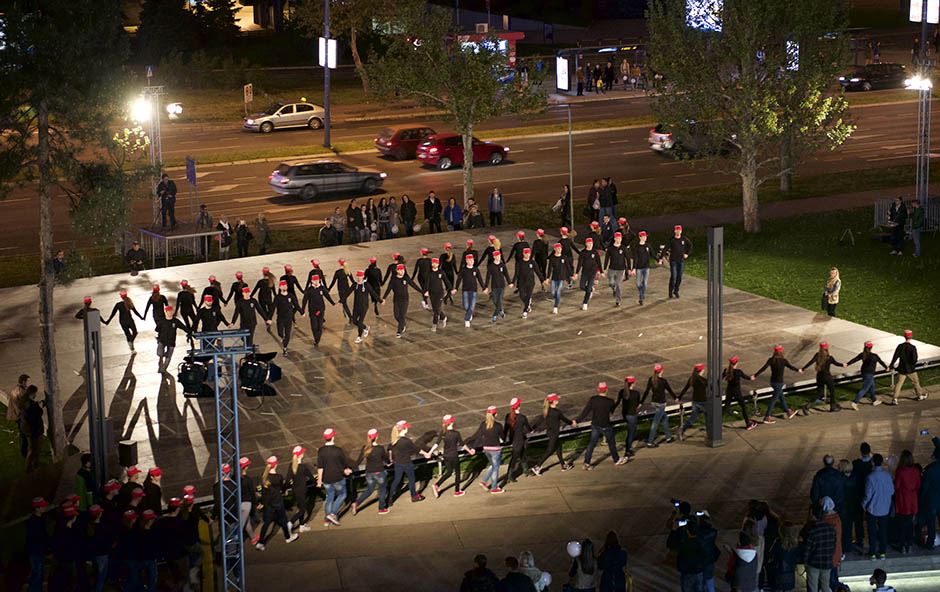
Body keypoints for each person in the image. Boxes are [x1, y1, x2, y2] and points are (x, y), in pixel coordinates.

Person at [578, 382, 626, 468]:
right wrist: (618, 400)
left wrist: (577, 421)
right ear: (606, 390)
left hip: (595, 425)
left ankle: (586, 462)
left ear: (598, 390)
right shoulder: (610, 401)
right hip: (605, 426)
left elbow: (585, 412)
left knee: (592, 444)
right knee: (611, 443)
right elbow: (611, 411)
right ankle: (616, 459)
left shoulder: (593, 399)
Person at [255, 456, 297, 549]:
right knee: (283, 519)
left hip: (268, 503)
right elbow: (282, 488)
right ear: (276, 464)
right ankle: (288, 537)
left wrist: (261, 502)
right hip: (277, 501)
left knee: (266, 523)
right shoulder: (278, 477)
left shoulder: (264, 477)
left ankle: (260, 542)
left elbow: (263, 492)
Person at [531, 393, 576, 475]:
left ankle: (563, 465)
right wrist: (572, 423)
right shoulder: (557, 412)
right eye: (556, 399)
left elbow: (540, 420)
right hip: (554, 434)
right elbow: (565, 419)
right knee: (550, 450)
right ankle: (537, 466)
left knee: (559, 447)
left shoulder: (546, 410)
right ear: (554, 402)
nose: (557, 400)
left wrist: (533, 428)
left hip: (550, 432)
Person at [388, 420, 430, 504]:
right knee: (411, 479)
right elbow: (416, 449)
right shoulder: (406, 441)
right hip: (406, 463)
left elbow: (390, 449)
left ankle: (390, 497)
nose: (407, 428)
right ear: (404, 428)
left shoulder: (394, 440)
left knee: (397, 480)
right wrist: (426, 454)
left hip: (397, 463)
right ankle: (414, 496)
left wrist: (391, 459)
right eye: (406, 427)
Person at [317, 428, 353, 526]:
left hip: (326, 479)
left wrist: (319, 481)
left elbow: (320, 467)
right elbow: (344, 464)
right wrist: (347, 470)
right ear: (333, 437)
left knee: (329, 497)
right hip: (338, 478)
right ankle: (333, 514)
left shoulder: (321, 451)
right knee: (342, 495)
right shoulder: (338, 450)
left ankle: (327, 519)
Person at [666, 505, 705, 592]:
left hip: (687, 572)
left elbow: (670, 543)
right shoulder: (701, 541)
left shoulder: (684, 545)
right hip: (699, 571)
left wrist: (673, 527)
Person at [863, 453, 894, 559]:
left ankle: (872, 552)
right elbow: (891, 491)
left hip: (872, 508)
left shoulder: (870, 477)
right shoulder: (887, 475)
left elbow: (868, 494)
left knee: (872, 531)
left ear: (872, 463)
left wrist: (863, 504)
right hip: (885, 507)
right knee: (883, 530)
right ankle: (882, 552)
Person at [801, 342, 846, 414]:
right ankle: (833, 406)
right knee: (832, 391)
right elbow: (836, 363)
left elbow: (810, 362)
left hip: (819, 376)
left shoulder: (817, 355)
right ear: (827, 348)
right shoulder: (829, 357)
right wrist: (843, 365)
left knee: (819, 393)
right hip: (827, 377)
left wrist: (803, 368)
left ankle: (807, 406)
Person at [352, 429, 389, 515]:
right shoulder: (380, 448)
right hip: (379, 472)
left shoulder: (365, 448)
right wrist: (388, 463)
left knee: (369, 490)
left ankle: (356, 503)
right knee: (383, 489)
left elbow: (358, 461)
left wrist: (351, 468)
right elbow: (386, 459)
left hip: (369, 473)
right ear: (377, 437)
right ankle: (381, 508)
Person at [468, 406, 505, 493]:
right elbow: (503, 437)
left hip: (486, 449)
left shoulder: (482, 424)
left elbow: (478, 437)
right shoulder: (498, 426)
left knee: (492, 465)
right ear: (495, 414)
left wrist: (474, 448)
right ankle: (494, 488)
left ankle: (484, 481)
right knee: (495, 468)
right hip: (495, 449)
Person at [802, 504, 836, 592]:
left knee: (813, 587)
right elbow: (834, 546)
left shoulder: (812, 530)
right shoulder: (831, 529)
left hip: (814, 563)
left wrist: (805, 562)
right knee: (826, 587)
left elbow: (807, 549)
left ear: (812, 514)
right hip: (827, 562)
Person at [642, 365, 679, 446]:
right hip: (661, 404)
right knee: (655, 422)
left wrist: (641, 402)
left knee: (665, 418)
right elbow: (669, 390)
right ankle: (650, 441)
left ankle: (668, 437)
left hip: (654, 403)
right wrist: (675, 398)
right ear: (662, 371)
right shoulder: (663, 381)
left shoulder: (651, 379)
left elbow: (646, 391)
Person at [382, 263, 422, 338]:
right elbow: (388, 289)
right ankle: (403, 324)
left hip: (405, 300)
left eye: (403, 270)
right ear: (397, 271)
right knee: (396, 315)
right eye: (401, 270)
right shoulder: (393, 280)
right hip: (396, 300)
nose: (402, 271)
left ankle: (399, 331)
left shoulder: (406, 278)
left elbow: (414, 285)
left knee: (402, 316)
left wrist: (422, 292)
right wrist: (384, 298)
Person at [890, 329, 928, 403]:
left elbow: (895, 356)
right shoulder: (912, 347)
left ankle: (895, 398)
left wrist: (891, 365)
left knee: (899, 383)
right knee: (915, 382)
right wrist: (912, 364)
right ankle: (919, 395)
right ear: (911, 336)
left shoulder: (900, 346)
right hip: (910, 369)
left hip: (901, 368)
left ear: (904, 336)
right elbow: (914, 359)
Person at [846, 341, 888, 410]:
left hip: (864, 373)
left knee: (872, 386)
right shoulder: (874, 356)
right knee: (865, 389)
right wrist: (886, 367)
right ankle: (855, 402)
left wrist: (847, 364)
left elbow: (854, 360)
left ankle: (874, 400)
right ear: (871, 347)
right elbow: (881, 362)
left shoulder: (863, 354)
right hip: (870, 374)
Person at [894, 449, 921, 554]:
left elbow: (896, 486)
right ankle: (909, 545)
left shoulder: (900, 471)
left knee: (902, 525)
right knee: (910, 525)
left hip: (902, 501)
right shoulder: (916, 471)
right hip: (912, 501)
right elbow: (918, 485)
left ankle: (902, 546)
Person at [723, 356, 759, 430]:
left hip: (729, 391)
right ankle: (748, 424)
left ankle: (714, 422)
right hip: (737, 392)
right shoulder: (738, 372)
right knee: (743, 407)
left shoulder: (726, 370)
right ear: (737, 363)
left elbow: (720, 378)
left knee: (726, 407)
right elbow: (747, 377)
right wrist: (752, 377)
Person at [285, 446, 315, 533]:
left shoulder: (291, 466)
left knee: (301, 507)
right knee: (302, 510)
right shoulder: (303, 467)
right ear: (301, 455)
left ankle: (301, 526)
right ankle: (290, 523)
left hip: (295, 490)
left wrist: (285, 489)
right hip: (302, 490)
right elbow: (312, 478)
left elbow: (287, 480)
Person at [502, 398, 532, 485]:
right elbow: (529, 429)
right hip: (520, 440)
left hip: (513, 440)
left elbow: (505, 429)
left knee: (522, 455)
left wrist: (504, 440)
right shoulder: (522, 418)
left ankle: (526, 470)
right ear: (518, 406)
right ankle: (509, 475)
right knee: (514, 458)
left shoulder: (508, 416)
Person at [454, 254, 485, 327]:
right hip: (465, 290)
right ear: (467, 261)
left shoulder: (476, 269)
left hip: (474, 290)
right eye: (470, 260)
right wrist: (456, 288)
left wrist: (483, 287)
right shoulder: (463, 270)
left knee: (472, 306)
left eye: (472, 260)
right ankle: (469, 313)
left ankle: (467, 319)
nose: (472, 261)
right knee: (466, 305)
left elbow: (480, 279)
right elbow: (459, 279)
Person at [350, 270, 381, 343]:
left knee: (360, 321)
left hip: (364, 306)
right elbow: (348, 292)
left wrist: (380, 300)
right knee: (354, 321)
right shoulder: (355, 285)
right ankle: (365, 327)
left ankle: (359, 336)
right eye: (358, 276)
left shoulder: (366, 285)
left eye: (360, 276)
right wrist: (341, 300)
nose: (359, 277)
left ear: (363, 276)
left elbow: (373, 293)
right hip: (356, 306)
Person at [513, 249, 544, 319]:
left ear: (530, 254)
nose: (527, 255)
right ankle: (528, 305)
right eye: (526, 253)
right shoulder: (519, 263)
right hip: (521, 282)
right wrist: (512, 282)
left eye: (528, 253)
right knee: (522, 296)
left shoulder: (532, 262)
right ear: (523, 254)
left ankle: (525, 312)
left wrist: (542, 280)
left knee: (528, 296)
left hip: (530, 283)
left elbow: (538, 272)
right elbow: (516, 273)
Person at [573, 237, 602, 310]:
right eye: (588, 243)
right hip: (585, 272)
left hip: (592, 272)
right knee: (582, 286)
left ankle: (585, 303)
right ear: (586, 244)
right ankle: (590, 290)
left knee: (588, 288)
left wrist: (601, 271)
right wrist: (576, 273)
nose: (590, 245)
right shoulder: (583, 253)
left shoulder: (595, 252)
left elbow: (598, 262)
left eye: (591, 243)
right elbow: (579, 263)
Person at [922, 437, 940, 549]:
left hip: (932, 501)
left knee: (931, 523)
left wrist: (921, 500)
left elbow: (925, 488)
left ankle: (930, 543)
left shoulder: (930, 470)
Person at [678, 365, 707, 437]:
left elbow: (685, 388)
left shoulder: (692, 379)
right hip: (704, 402)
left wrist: (679, 397)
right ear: (701, 371)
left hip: (695, 401)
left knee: (692, 418)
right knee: (709, 417)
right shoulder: (703, 380)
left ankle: (682, 429)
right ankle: (710, 432)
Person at [273, 280, 301, 354]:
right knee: (280, 333)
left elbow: (296, 305)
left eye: (285, 285)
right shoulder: (277, 297)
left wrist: (302, 312)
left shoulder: (290, 296)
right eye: (283, 286)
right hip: (280, 318)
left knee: (288, 335)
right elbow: (273, 307)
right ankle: (282, 337)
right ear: (280, 287)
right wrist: (268, 318)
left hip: (288, 319)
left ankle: (285, 347)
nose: (284, 287)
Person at [21, 385, 44, 471]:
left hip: (28, 430)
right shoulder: (30, 404)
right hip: (33, 430)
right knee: (34, 450)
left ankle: (32, 467)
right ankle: (32, 467)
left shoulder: (25, 401)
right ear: (33, 393)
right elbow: (35, 416)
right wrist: (39, 407)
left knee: (32, 449)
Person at [629, 231, 656, 305]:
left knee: (645, 283)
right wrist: (634, 268)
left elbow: (653, 254)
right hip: (639, 268)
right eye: (643, 236)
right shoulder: (637, 247)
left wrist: (658, 259)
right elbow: (635, 258)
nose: (645, 238)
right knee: (638, 284)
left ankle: (641, 298)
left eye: (646, 236)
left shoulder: (648, 246)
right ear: (640, 237)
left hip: (646, 267)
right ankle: (642, 293)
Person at [604, 232, 629, 306]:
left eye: (620, 238)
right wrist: (604, 268)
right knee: (611, 283)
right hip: (612, 268)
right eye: (617, 238)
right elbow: (607, 258)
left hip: (621, 269)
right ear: (614, 238)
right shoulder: (610, 248)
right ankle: (614, 289)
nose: (618, 239)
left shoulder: (623, 248)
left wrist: (630, 268)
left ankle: (618, 300)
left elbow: (627, 258)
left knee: (618, 284)